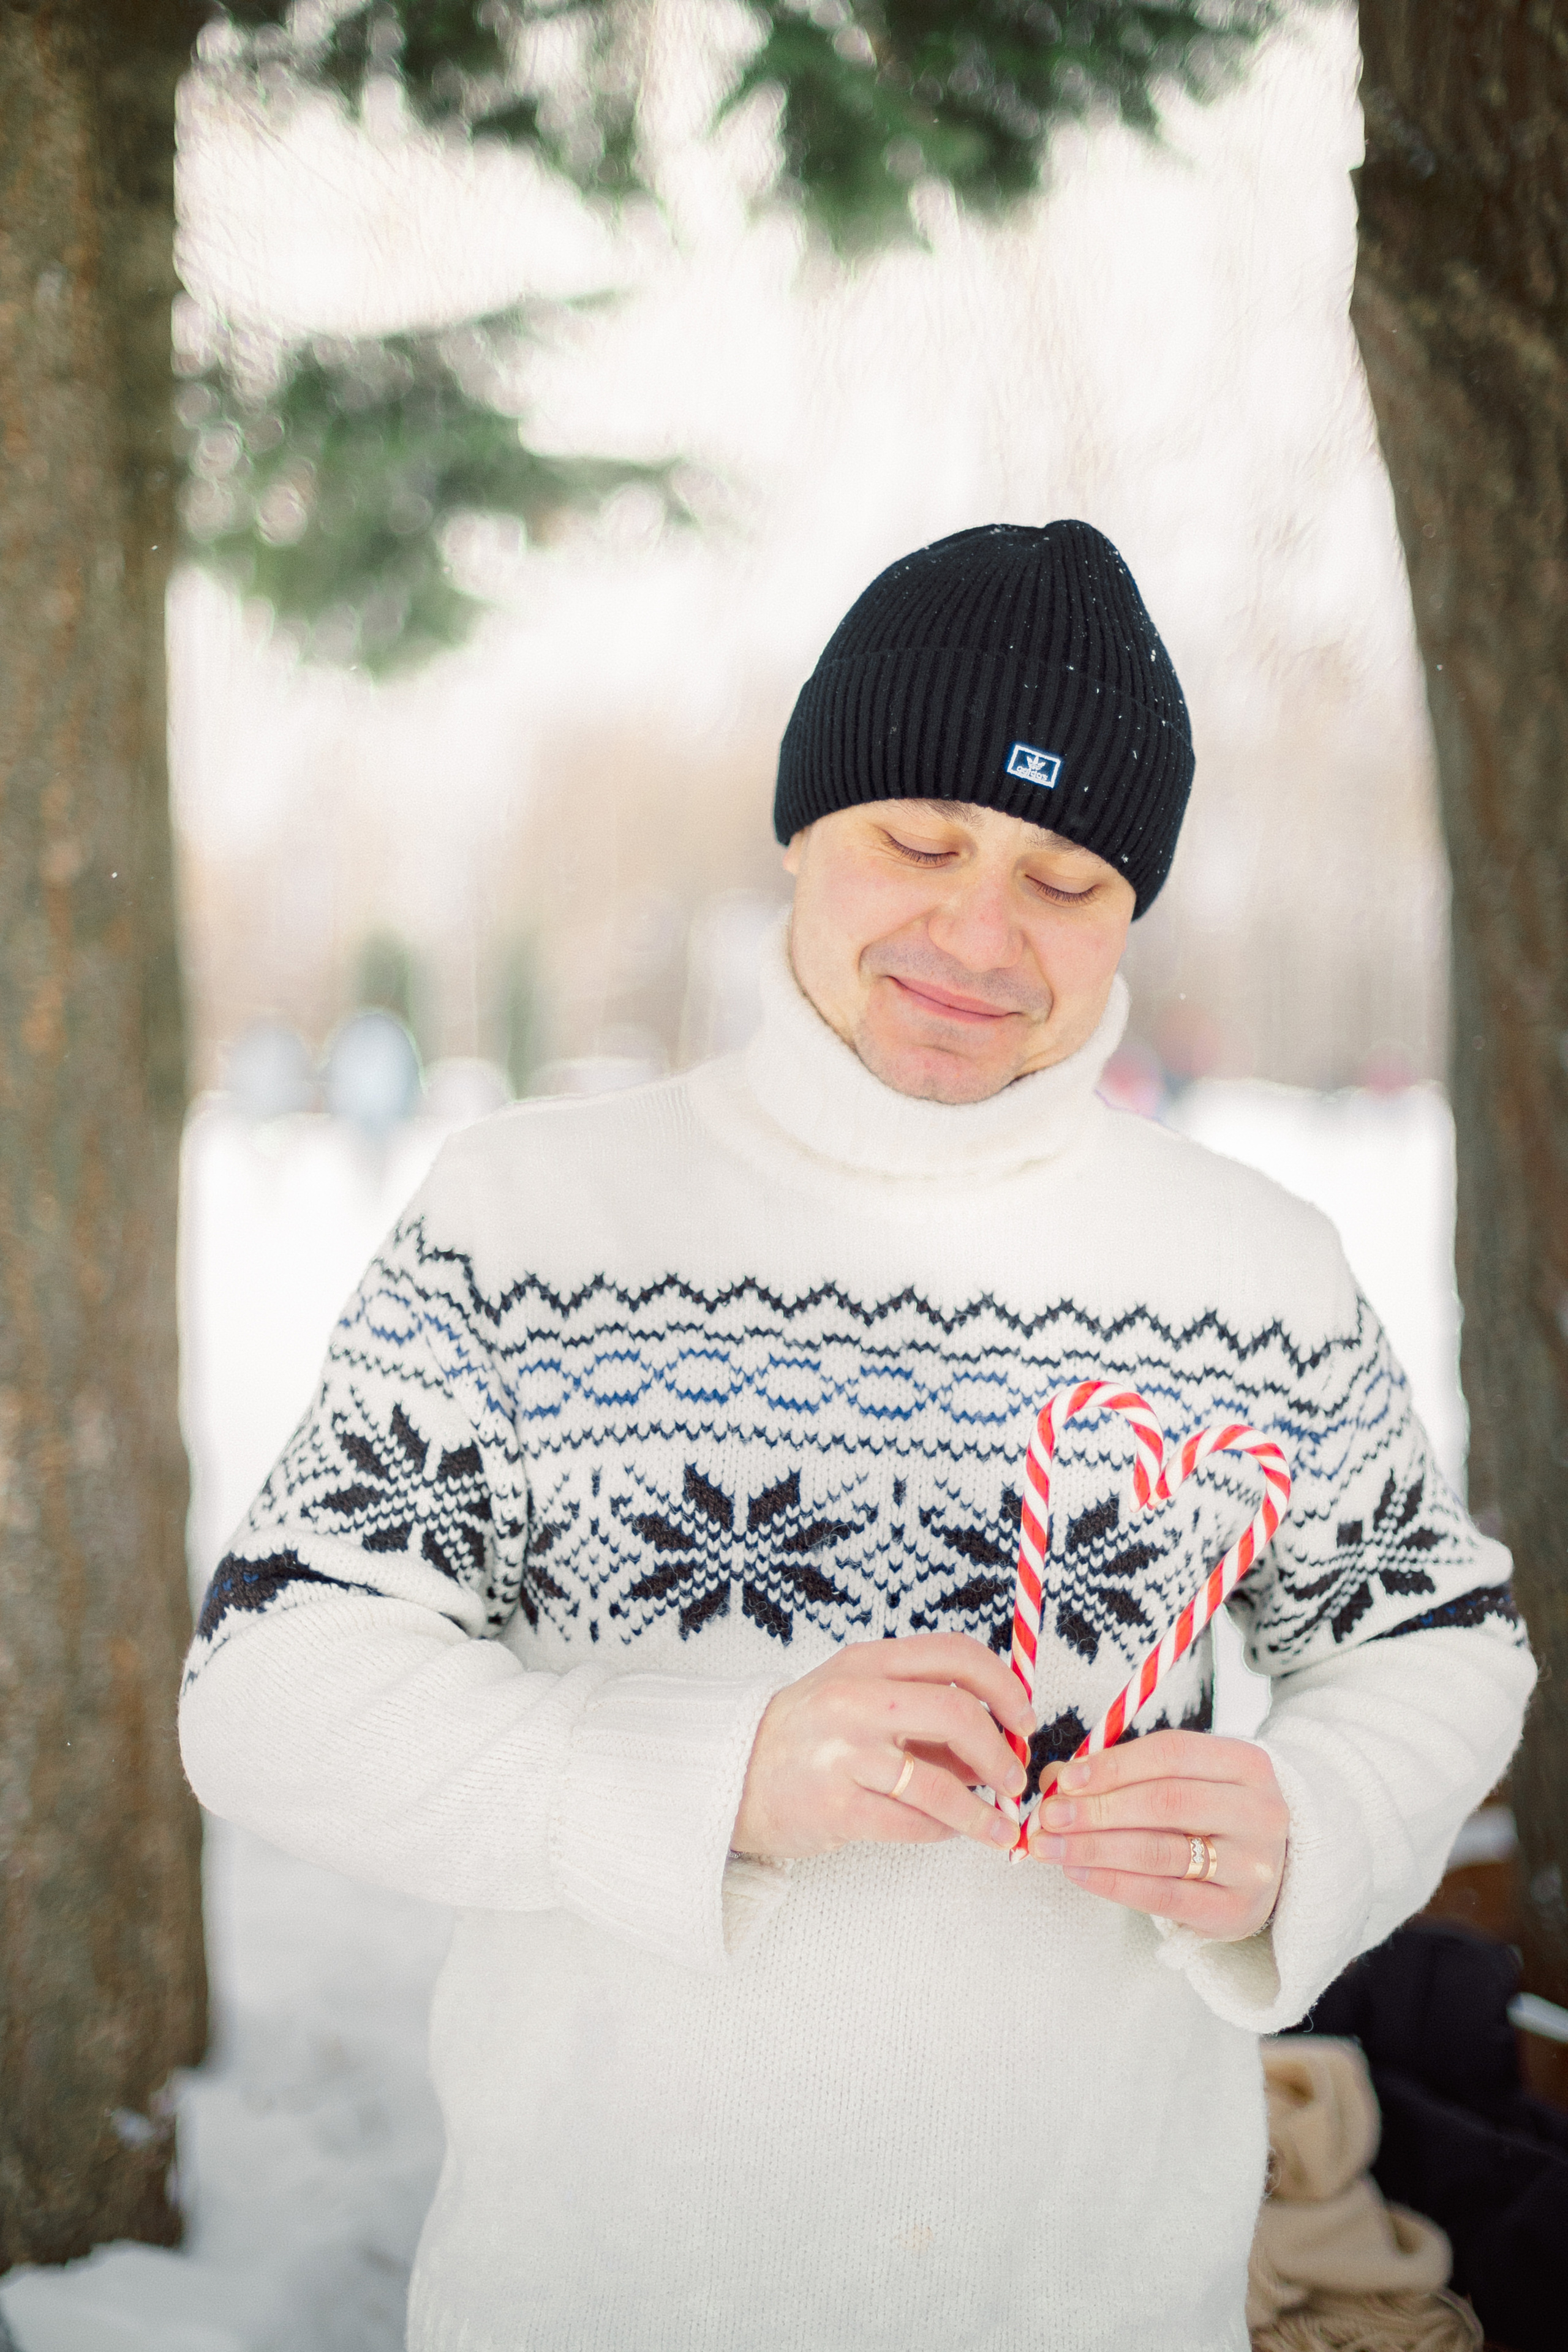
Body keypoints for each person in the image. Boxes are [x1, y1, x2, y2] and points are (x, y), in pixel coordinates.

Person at [179, 521, 1534, 2352]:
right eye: (922, 842)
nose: (981, 936)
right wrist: (712, 1781)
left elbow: (1441, 1643)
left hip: (1095, 2304)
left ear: (1131, 908)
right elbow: (270, 1687)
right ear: (803, 826)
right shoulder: (532, 1224)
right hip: (601, 2297)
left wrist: (1313, 1820)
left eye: (1065, 878)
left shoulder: (1256, 1278)